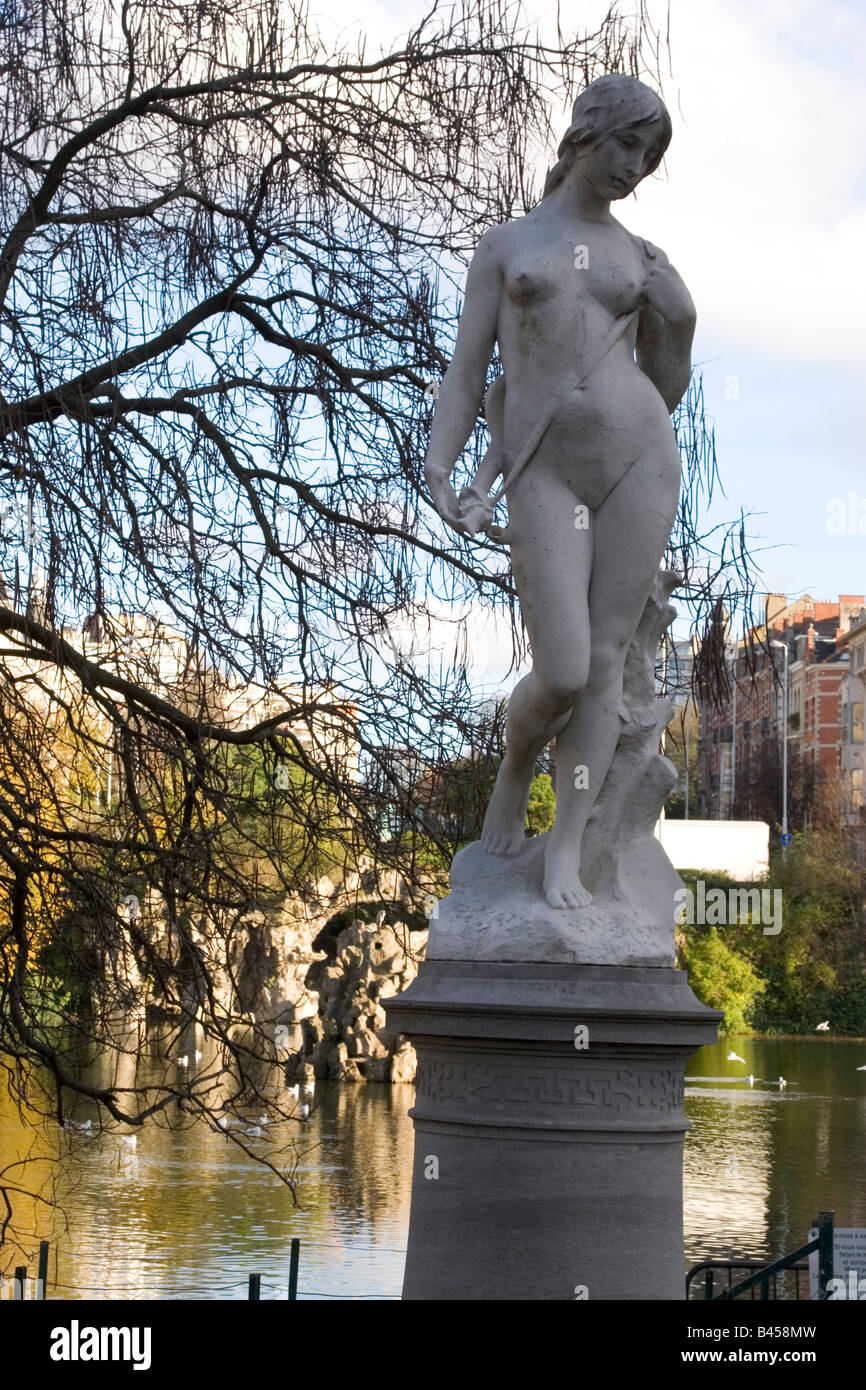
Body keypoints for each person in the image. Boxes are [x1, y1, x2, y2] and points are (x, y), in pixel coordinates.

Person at [424, 74, 696, 909]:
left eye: (648, 157)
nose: (634, 167)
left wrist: (679, 322)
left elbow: (667, 383)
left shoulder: (642, 260)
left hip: (639, 459)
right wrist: (442, 467)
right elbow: (469, 371)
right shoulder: (507, 247)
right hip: (545, 470)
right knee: (565, 666)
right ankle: (514, 771)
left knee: (608, 661)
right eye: (625, 145)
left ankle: (566, 848)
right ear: (586, 132)